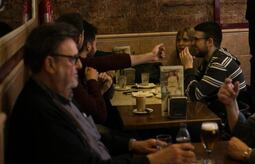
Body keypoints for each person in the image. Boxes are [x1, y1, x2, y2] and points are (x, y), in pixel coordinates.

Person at [6, 23, 196, 164]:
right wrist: (152, 161)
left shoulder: (55, 95)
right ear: (50, 64)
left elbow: (90, 135)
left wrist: (132, 144)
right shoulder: (40, 112)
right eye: (73, 59)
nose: (80, 65)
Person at [179, 21, 246, 114]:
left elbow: (194, 95)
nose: (192, 43)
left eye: (196, 39)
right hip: (215, 110)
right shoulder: (210, 59)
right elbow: (192, 87)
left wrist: (188, 67)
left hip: (226, 118)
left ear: (209, 42)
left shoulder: (220, 63)